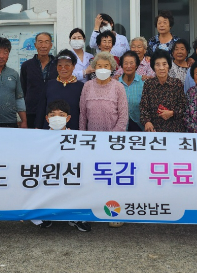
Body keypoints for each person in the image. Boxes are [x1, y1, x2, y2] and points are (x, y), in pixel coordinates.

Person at [40, 100, 92, 233]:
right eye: (52, 115)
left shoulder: (78, 138)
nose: (57, 118)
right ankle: (44, 215)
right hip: (48, 179)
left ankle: (76, 218)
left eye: (61, 115)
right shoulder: (39, 138)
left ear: (68, 118)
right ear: (47, 118)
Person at [140, 50, 188, 133]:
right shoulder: (148, 84)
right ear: (153, 67)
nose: (161, 68)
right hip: (154, 130)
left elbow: (183, 106)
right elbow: (144, 107)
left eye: (164, 64)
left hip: (175, 129)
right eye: (157, 65)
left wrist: (172, 113)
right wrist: (147, 122)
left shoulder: (177, 83)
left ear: (169, 66)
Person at [35, 49, 84, 130]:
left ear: (74, 66)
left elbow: (83, 113)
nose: (63, 68)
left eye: (67, 65)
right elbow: (41, 108)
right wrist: (37, 127)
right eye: (60, 65)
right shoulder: (49, 84)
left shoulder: (81, 87)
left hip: (73, 130)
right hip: (49, 130)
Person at [79, 52, 129, 131]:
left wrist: (112, 136)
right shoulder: (87, 86)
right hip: (92, 137)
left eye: (106, 66)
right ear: (94, 68)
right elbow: (82, 115)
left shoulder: (119, 87)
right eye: (99, 66)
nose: (103, 69)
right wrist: (83, 134)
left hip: (112, 138)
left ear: (111, 68)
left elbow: (123, 116)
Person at [20, 32, 58, 128]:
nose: (43, 46)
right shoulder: (26, 66)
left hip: (52, 112)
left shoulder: (57, 65)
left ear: (51, 45)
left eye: (46, 42)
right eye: (40, 42)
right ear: (35, 45)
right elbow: (23, 90)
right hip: (31, 111)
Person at [0, 37, 27, 128]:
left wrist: (24, 121)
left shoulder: (13, 74)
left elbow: (19, 99)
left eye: (5, 52)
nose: (2, 56)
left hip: (11, 122)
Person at [119, 50, 145, 131]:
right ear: (122, 65)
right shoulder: (116, 84)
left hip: (140, 125)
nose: (128, 66)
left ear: (137, 65)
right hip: (120, 126)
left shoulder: (143, 82)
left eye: (131, 63)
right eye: (126, 63)